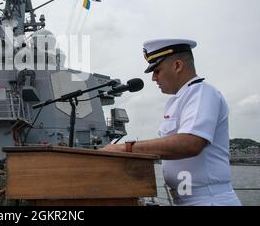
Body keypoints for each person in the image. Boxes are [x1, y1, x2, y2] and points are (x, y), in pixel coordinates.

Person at [102, 39, 241, 206]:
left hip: (208, 199)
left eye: (157, 70)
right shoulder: (176, 101)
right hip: (185, 199)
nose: (154, 78)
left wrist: (125, 148)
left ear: (177, 66)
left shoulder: (201, 93)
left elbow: (190, 143)